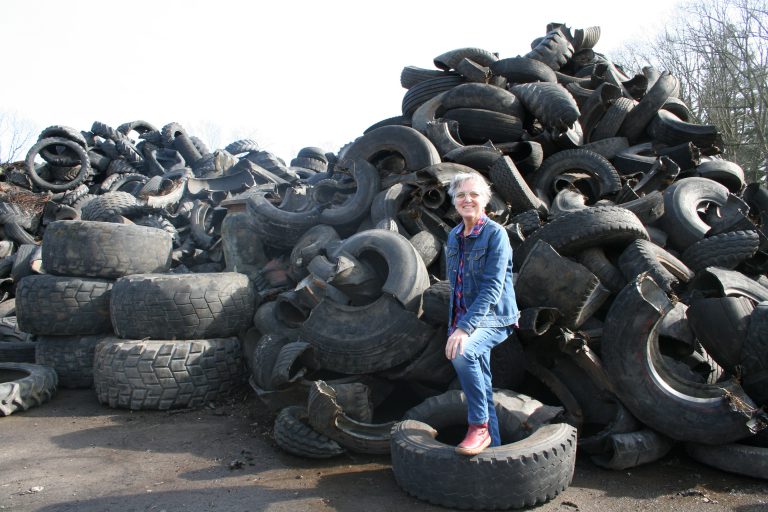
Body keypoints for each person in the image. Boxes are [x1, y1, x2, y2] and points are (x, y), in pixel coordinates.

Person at [444, 171, 520, 456]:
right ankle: (495, 454)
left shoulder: (495, 234)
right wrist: (457, 324)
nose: (467, 199)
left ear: (485, 200)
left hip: (495, 317)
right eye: (461, 195)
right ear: (454, 201)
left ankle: (478, 426)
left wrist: (463, 329)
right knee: (483, 385)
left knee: (463, 354)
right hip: (466, 318)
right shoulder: (453, 236)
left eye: (474, 194)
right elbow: (456, 286)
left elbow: (492, 289)